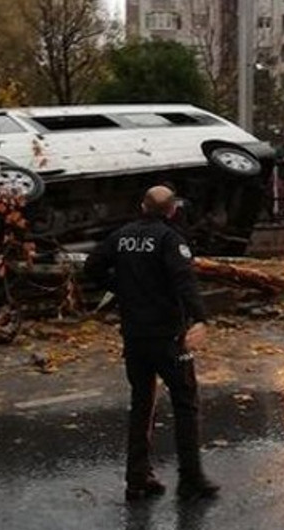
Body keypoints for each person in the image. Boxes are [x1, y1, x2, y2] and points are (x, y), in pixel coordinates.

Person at [85, 185, 220, 503]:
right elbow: (184, 282)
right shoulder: (170, 240)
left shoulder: (121, 236)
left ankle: (137, 479)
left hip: (134, 337)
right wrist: (200, 319)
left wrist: (121, 287)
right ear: (172, 210)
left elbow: (91, 267)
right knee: (186, 404)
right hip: (168, 339)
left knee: (141, 404)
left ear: (142, 206)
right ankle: (191, 480)